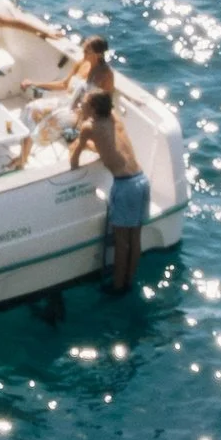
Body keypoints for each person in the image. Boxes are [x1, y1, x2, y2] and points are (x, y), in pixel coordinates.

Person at [69, 88, 150, 293]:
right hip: (141, 180)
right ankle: (129, 282)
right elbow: (109, 146)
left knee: (122, 243)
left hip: (125, 186)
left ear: (94, 108)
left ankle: (117, 287)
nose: (82, 106)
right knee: (135, 239)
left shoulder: (89, 127)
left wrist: (76, 156)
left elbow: (74, 159)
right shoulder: (114, 118)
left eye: (85, 103)